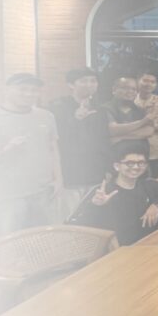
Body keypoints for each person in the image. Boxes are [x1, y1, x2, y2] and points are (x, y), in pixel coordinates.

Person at [0, 73, 62, 237]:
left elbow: (53, 149)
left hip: (43, 194)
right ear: (6, 90)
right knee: (8, 244)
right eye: (23, 89)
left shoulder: (46, 116)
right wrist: (4, 149)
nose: (29, 94)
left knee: (44, 243)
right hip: (6, 197)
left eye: (34, 90)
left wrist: (59, 180)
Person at [75, 144, 158, 246]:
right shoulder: (102, 191)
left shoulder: (148, 186)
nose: (136, 167)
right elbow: (76, 224)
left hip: (150, 246)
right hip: (116, 251)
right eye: (129, 163)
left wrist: (156, 205)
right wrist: (96, 206)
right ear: (117, 166)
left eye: (141, 163)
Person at [48, 67, 108, 219]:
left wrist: (107, 169)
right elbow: (54, 140)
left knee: (93, 216)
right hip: (70, 174)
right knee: (70, 216)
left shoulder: (100, 109)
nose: (89, 84)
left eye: (93, 81)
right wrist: (75, 120)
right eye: (83, 81)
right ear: (71, 85)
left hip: (95, 174)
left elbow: (103, 141)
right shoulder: (57, 107)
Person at [106, 77, 154, 148]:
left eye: (134, 89)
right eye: (125, 88)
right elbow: (113, 130)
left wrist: (121, 137)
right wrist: (142, 122)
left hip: (140, 152)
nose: (130, 91)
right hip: (114, 153)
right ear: (114, 90)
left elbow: (149, 131)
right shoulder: (105, 109)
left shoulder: (140, 109)